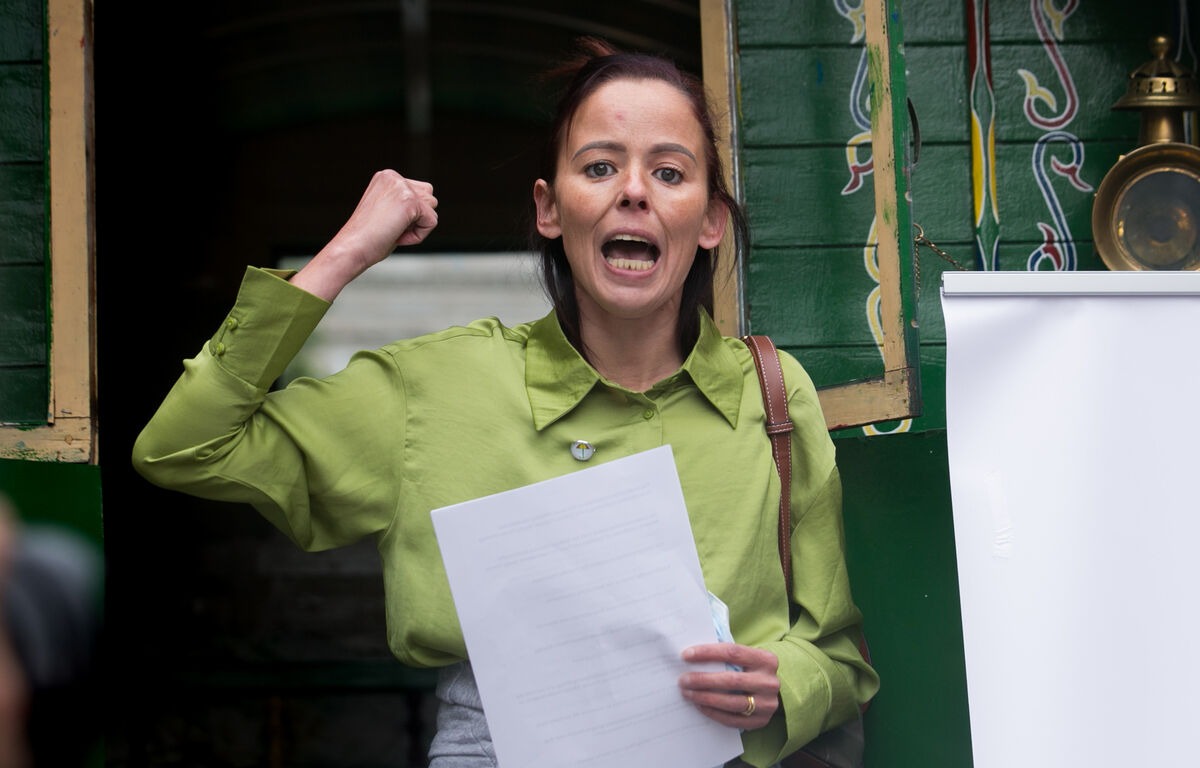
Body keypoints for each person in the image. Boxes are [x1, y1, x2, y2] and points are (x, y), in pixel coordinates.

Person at [132, 40, 878, 768]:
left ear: (711, 220)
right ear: (550, 209)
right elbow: (185, 448)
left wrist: (783, 683)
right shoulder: (433, 389)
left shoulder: (775, 397)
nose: (633, 191)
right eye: (599, 166)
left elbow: (839, 657)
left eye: (670, 171)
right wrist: (344, 255)